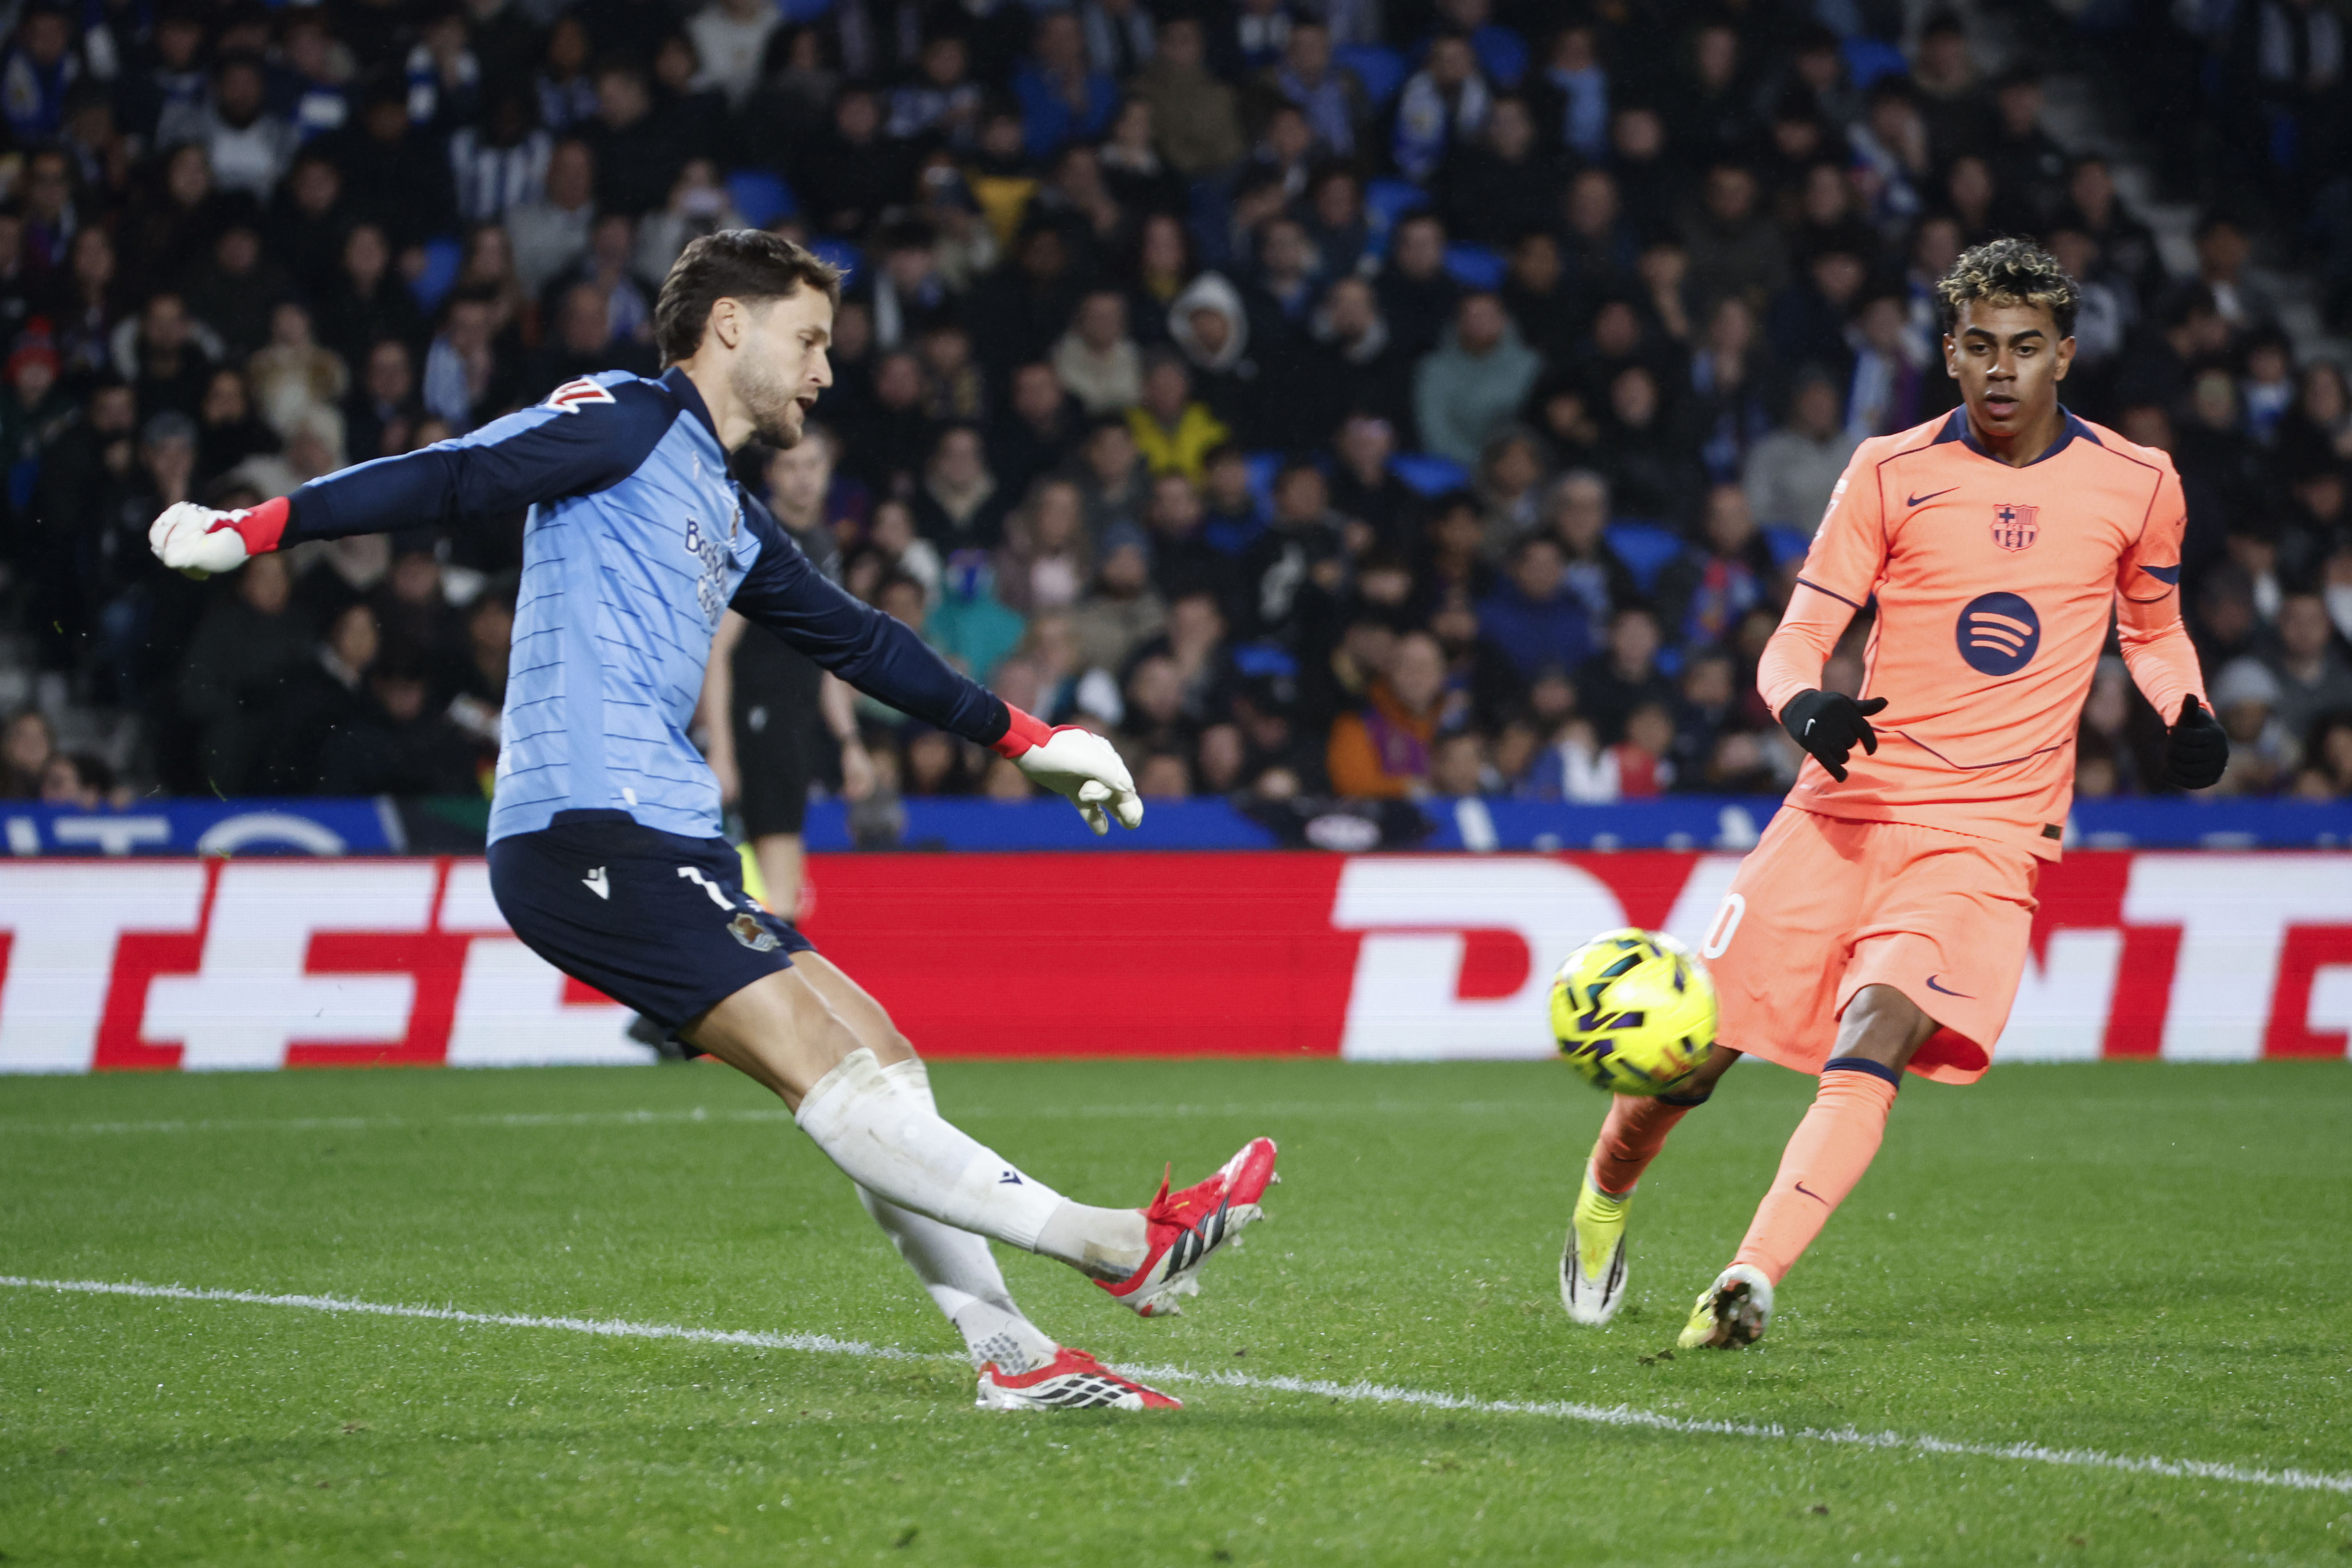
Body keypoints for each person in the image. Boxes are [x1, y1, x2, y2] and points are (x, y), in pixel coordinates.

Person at [149, 231, 1279, 1413]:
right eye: (810, 340)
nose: (824, 371)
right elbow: (458, 473)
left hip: (665, 835)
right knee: (826, 1062)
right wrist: (255, 527)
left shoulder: (723, 508)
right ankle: (1113, 1243)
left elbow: (857, 639)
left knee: (880, 1052)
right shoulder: (626, 418)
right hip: (587, 830)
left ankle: (1013, 1357)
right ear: (729, 325)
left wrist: (1028, 740)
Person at [1556, 239, 2228, 1347]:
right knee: (1691, 1058)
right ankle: (1601, 1199)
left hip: (1988, 833)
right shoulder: (1887, 469)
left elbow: (2152, 633)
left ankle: (1748, 1276)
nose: (2001, 369)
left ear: (2063, 356)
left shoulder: (2139, 480)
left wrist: (2184, 708)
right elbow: (1797, 636)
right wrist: (1804, 708)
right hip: (1844, 810)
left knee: (1873, 1034)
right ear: (1949, 353)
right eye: (1979, 346)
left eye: (2025, 348)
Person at [698, 430, 876, 920]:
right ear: (770, 475)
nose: (803, 478)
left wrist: (849, 741)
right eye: (791, 467)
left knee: (780, 886)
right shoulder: (758, 542)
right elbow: (718, 649)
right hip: (754, 723)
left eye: (812, 466)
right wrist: (721, 750)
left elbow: (825, 655)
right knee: (774, 890)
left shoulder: (822, 544)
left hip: (796, 727)